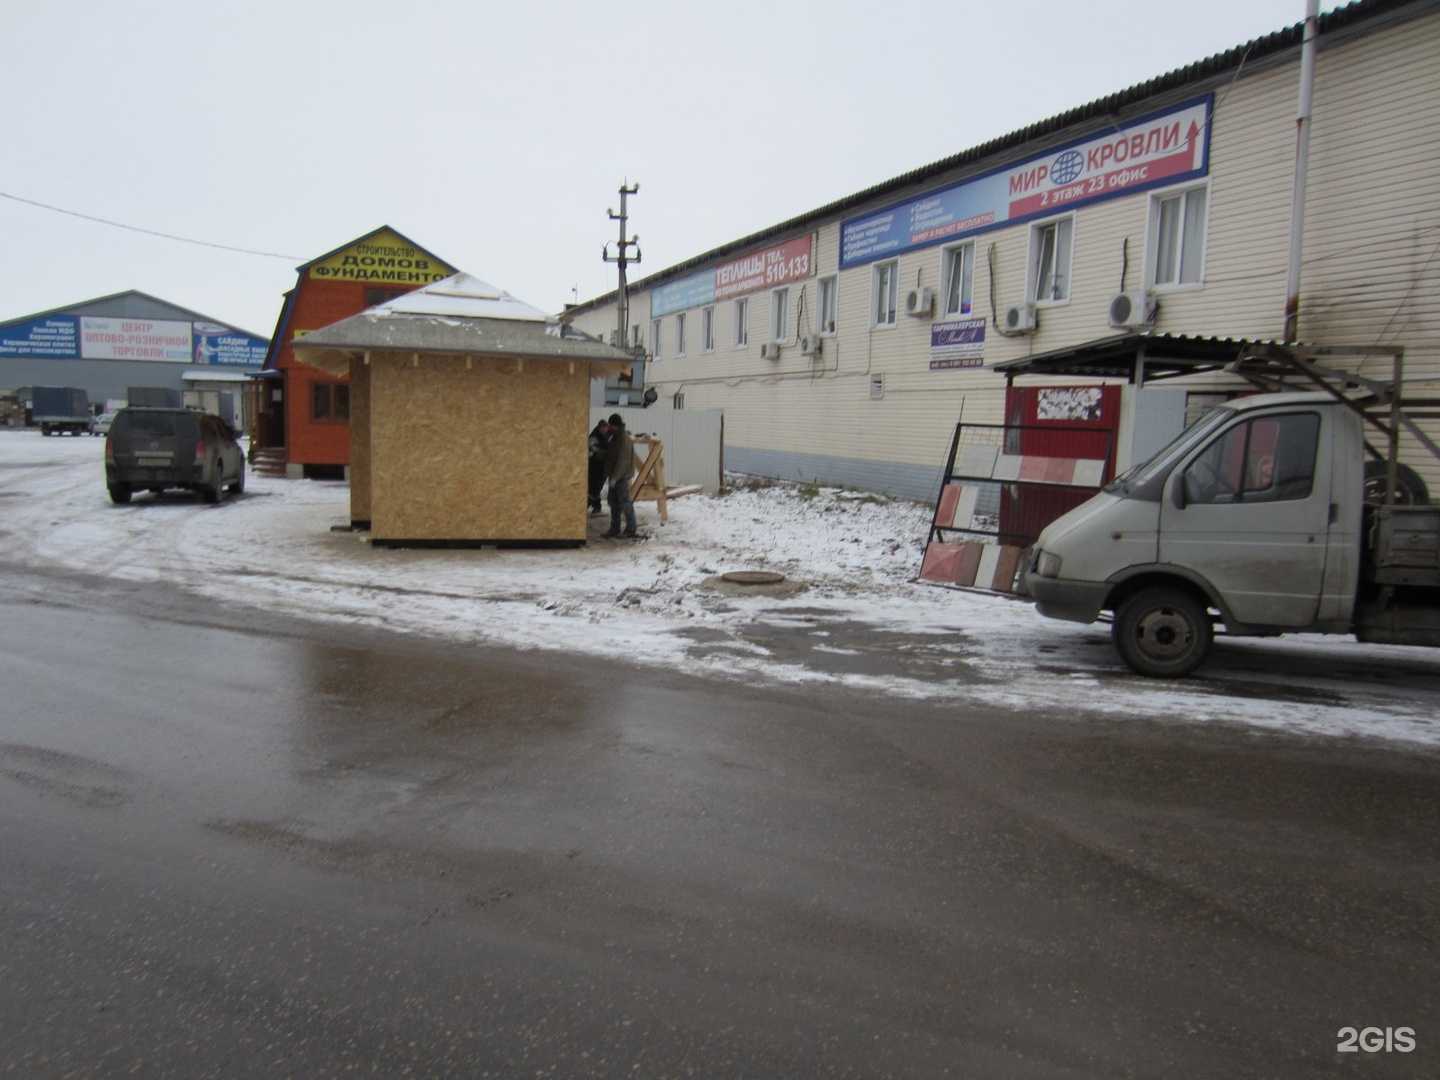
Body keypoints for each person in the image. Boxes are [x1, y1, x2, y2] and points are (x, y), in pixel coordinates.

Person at [603, 413, 638, 538]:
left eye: (611, 426)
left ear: (615, 426)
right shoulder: (615, 437)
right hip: (615, 476)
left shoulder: (624, 439)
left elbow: (623, 461)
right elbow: (610, 453)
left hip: (621, 476)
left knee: (625, 502)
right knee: (613, 503)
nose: (609, 428)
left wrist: (615, 478)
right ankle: (615, 528)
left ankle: (631, 528)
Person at [586, 418, 611, 514]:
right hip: (594, 466)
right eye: (603, 428)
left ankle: (596, 506)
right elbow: (592, 450)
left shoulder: (606, 435)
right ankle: (591, 505)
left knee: (597, 487)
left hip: (603, 467)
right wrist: (605, 453)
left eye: (606, 428)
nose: (605, 430)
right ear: (600, 428)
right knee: (594, 488)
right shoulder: (594, 437)